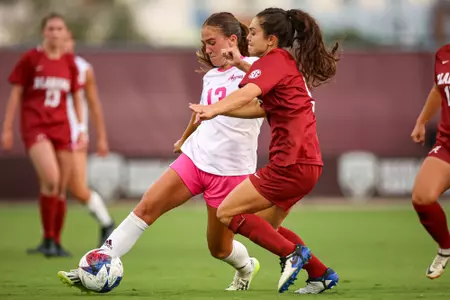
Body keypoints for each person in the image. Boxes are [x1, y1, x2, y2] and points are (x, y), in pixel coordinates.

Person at [58, 12, 263, 292]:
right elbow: (202, 114)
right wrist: (184, 138)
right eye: (204, 43)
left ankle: (246, 266)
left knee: (219, 248)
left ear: (232, 39)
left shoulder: (254, 68)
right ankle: (96, 263)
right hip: (196, 158)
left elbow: (267, 107)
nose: (207, 49)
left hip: (231, 171)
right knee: (146, 207)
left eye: (212, 42)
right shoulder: (212, 76)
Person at [190, 8, 340, 294]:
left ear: (271, 40)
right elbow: (262, 99)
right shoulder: (281, 63)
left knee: (227, 212)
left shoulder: (273, 61)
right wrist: (241, 71)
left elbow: (247, 94)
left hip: (289, 164)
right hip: (307, 164)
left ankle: (292, 255)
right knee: (266, 227)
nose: (249, 37)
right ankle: (321, 274)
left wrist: (213, 108)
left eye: (254, 32)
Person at [1, 13, 86, 257]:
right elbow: (15, 94)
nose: (55, 33)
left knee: (59, 187)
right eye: (51, 28)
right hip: (36, 127)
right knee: (51, 178)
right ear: (43, 32)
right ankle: (49, 239)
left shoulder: (69, 62)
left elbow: (77, 97)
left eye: (60, 28)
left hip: (62, 127)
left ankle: (53, 241)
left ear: (65, 33)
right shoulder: (30, 59)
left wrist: (80, 128)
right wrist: (7, 128)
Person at [63, 32, 115, 247]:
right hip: (48, 134)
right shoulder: (41, 64)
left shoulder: (82, 68)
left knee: (77, 188)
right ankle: (50, 239)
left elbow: (93, 104)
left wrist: (101, 137)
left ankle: (107, 222)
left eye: (67, 38)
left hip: (74, 134)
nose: (62, 42)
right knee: (52, 185)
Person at [411, 44, 450, 280]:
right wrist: (422, 121)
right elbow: (439, 88)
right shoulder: (443, 54)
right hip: (447, 145)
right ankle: (446, 248)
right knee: (422, 198)